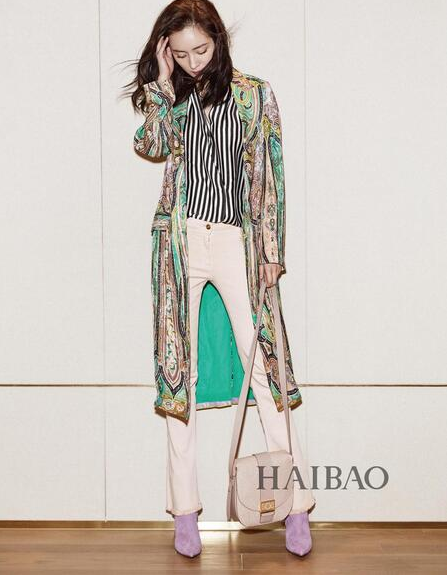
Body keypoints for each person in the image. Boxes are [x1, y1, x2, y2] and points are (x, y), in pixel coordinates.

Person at [130, 0, 316, 559]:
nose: (192, 62)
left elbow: (273, 175)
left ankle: (295, 505)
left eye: (201, 50)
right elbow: (149, 146)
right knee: (178, 375)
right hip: (182, 243)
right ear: (167, 51)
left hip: (238, 242)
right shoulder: (170, 96)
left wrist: (272, 252)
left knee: (266, 371)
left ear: (219, 40)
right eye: (180, 53)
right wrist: (161, 88)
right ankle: (185, 511)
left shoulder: (255, 95)